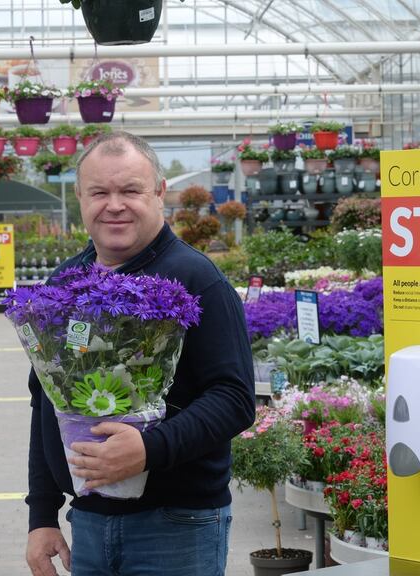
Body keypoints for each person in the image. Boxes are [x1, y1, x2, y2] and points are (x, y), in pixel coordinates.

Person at [25, 131, 255, 576]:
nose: (114, 205)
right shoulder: (65, 281)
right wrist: (42, 516)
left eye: (130, 190)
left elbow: (235, 398)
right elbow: (43, 403)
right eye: (99, 192)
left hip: (177, 526)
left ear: (158, 193)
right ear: (80, 197)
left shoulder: (195, 278)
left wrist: (150, 448)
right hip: (88, 521)